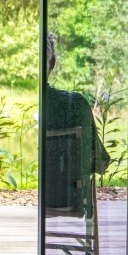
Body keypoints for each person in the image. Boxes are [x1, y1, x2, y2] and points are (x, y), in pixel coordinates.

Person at [44, 33, 110, 214]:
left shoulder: (25, 107)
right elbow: (100, 162)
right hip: (71, 197)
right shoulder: (75, 104)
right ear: (52, 62)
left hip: (31, 207)